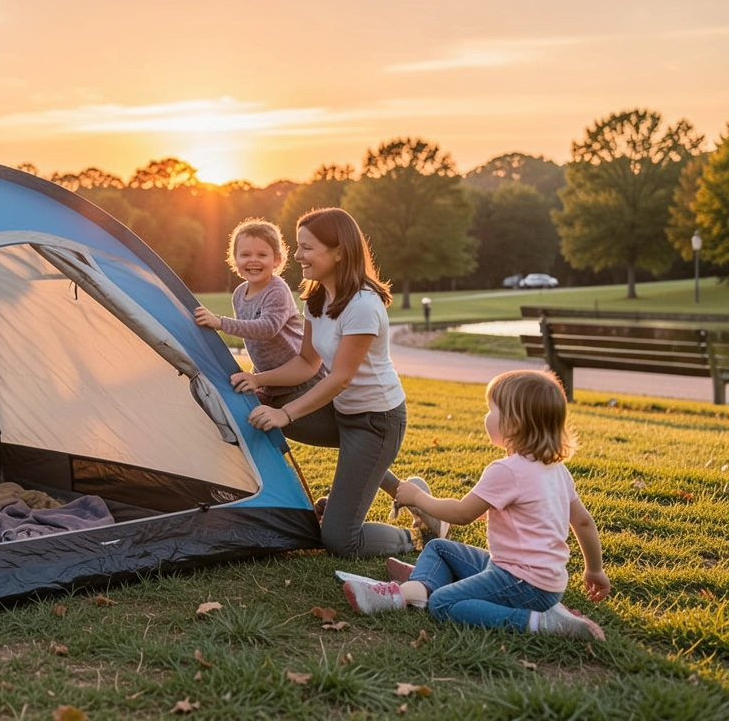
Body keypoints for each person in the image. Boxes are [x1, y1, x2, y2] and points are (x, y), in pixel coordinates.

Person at [232, 207, 440, 558]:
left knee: (340, 540)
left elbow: (341, 377)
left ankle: (415, 533)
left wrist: (287, 414)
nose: (297, 255)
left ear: (339, 251)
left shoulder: (362, 305)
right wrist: (257, 380)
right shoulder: (316, 298)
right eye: (298, 247)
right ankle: (397, 492)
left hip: (377, 422)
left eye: (307, 248)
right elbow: (306, 363)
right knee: (267, 412)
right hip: (342, 414)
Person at [340, 369, 609, 640]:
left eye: (492, 410)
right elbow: (582, 521)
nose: (486, 417)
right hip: (543, 582)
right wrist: (594, 570)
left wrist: (418, 498)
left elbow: (462, 513)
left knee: (443, 604)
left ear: (514, 423)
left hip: (521, 583)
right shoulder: (557, 470)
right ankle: (423, 585)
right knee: (438, 548)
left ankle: (540, 621)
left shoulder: (507, 471)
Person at [193, 218, 322, 407]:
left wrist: (221, 323)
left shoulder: (277, 290)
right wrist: (255, 377)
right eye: (245, 255)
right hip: (270, 383)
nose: (253, 260)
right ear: (234, 259)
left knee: (263, 418)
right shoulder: (238, 294)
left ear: (277, 260)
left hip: (300, 382)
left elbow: (267, 328)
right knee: (233, 407)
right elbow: (254, 342)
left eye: (262, 255)